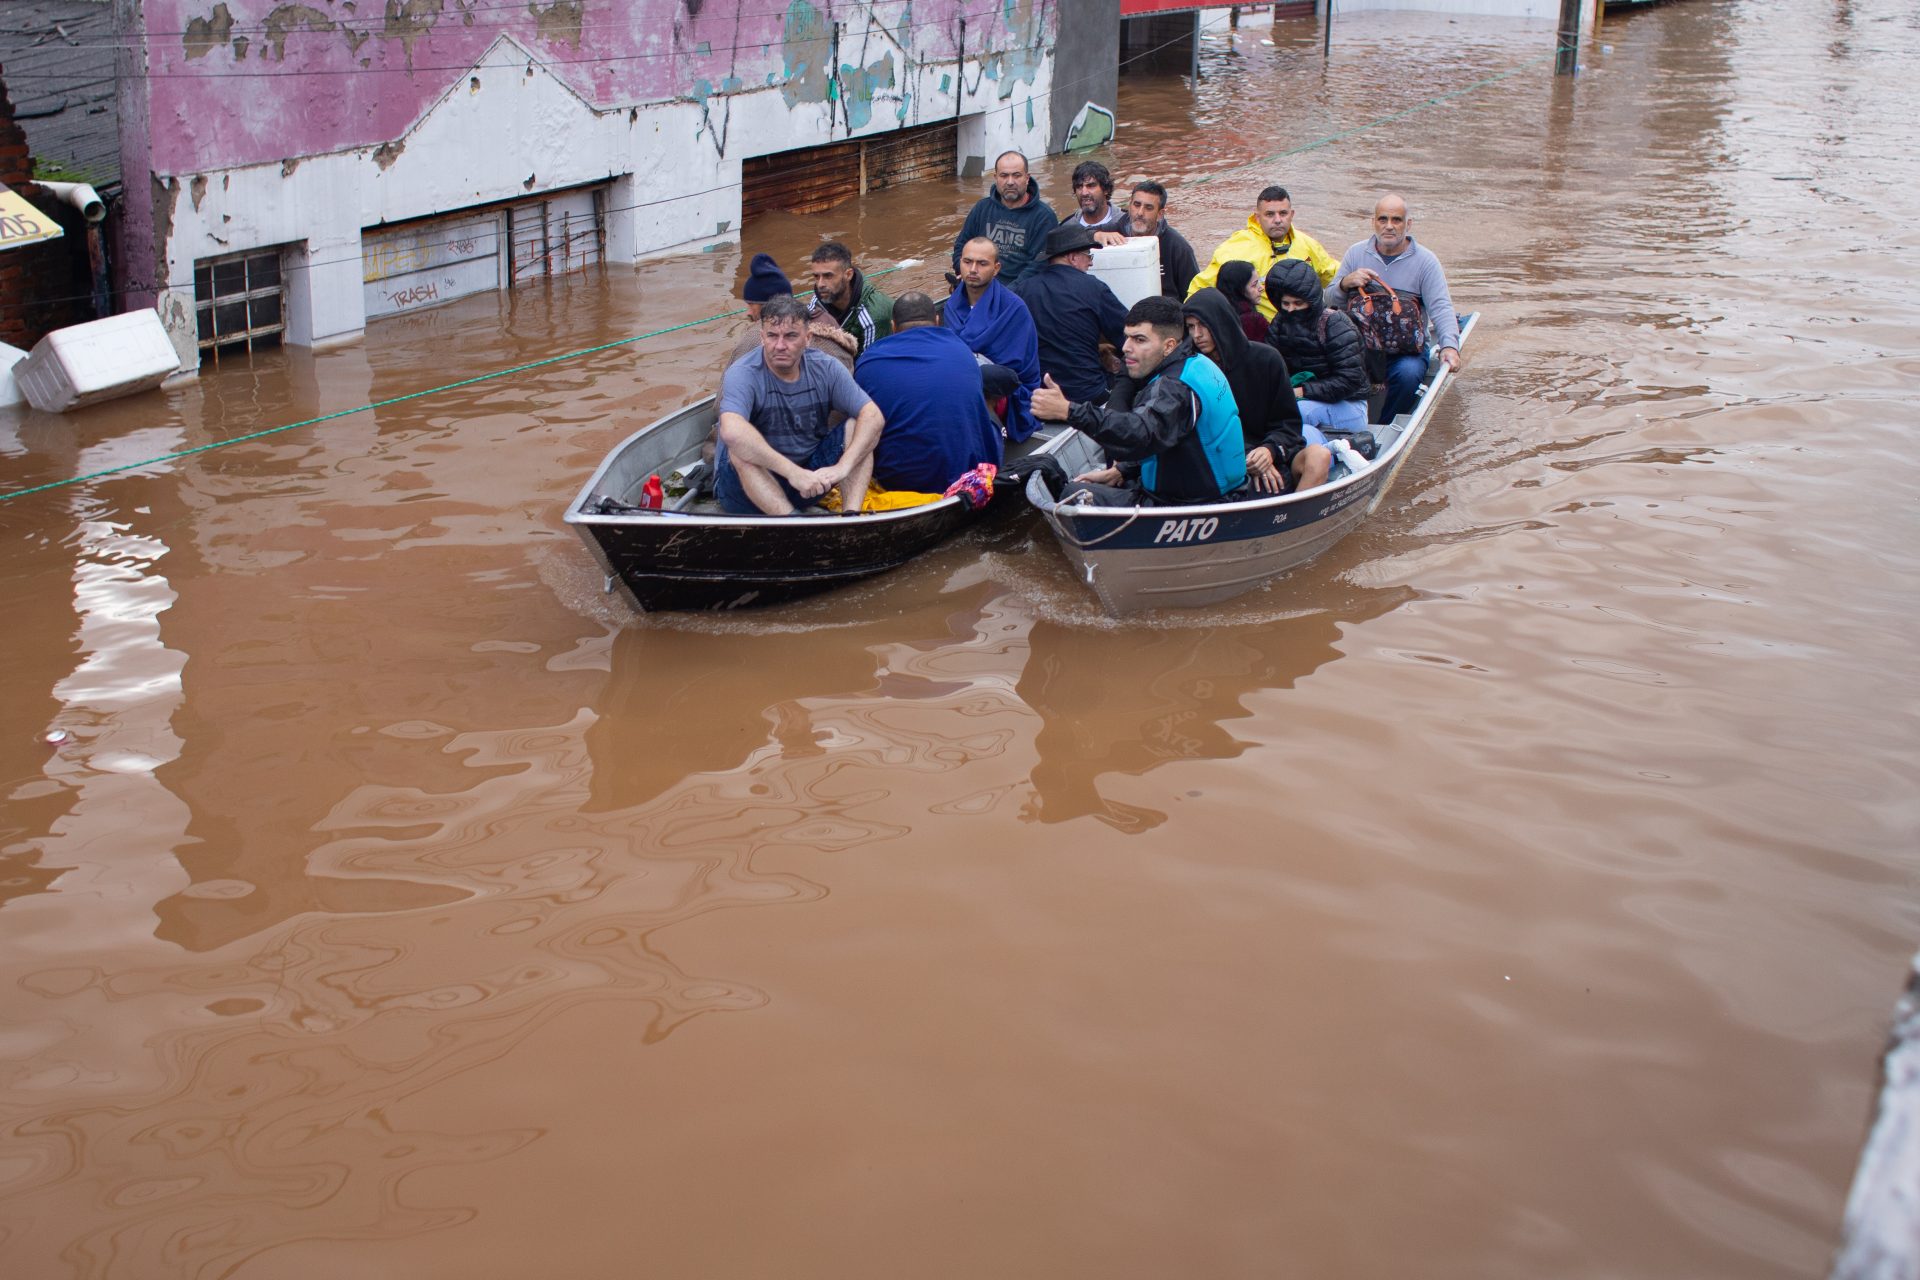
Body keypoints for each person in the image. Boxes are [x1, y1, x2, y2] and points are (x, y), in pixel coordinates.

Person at [1029, 296, 1247, 507]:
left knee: (1070, 493)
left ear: (1169, 346)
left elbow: (1139, 434)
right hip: (1211, 490)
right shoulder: (1196, 363)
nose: (1125, 347)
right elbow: (1166, 433)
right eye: (1127, 337)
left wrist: (1068, 411)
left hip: (1187, 504)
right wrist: (1122, 470)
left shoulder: (1174, 387)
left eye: (1139, 339)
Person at [714, 296, 886, 516]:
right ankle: (791, 521)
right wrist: (793, 473)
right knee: (739, 447)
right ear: (762, 338)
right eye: (772, 336)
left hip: (807, 482)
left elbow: (873, 416)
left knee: (858, 426)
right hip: (745, 491)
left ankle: (851, 517)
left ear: (807, 338)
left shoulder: (826, 367)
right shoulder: (743, 373)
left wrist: (841, 468)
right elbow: (731, 430)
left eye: (791, 336)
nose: (780, 345)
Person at [1183, 286, 1330, 495]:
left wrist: (1269, 451)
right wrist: (1251, 456)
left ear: (1221, 322)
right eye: (1190, 327)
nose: (1197, 335)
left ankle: (1294, 518)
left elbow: (1289, 425)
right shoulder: (1190, 369)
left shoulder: (1267, 359)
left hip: (1273, 451)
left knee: (1320, 456)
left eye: (1203, 325)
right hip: (1223, 460)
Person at [855, 291, 1003, 494]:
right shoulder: (961, 350)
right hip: (963, 476)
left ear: (893, 326)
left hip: (896, 483)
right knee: (988, 408)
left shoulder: (868, 361)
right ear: (936, 320)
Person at [1332, 192, 1461, 422]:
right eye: (1383, 219)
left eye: (1396, 220)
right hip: (1362, 348)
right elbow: (1329, 302)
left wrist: (1450, 346)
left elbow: (1440, 306)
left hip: (1407, 349)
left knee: (1409, 374)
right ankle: (1350, 422)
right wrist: (1345, 283)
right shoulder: (1355, 253)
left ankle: (1385, 425)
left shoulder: (1426, 261)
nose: (1389, 226)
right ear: (1373, 222)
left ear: (1408, 224)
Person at [1010, 224, 1128, 407]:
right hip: (1087, 395)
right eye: (1088, 256)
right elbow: (1128, 337)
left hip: (1038, 396)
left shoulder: (1023, 290)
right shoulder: (1095, 289)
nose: (1091, 262)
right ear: (1073, 258)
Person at [943, 236, 1043, 442]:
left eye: (982, 264)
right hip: (963, 380)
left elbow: (1014, 371)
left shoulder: (1014, 309)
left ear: (996, 268)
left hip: (1007, 391)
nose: (972, 269)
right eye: (967, 262)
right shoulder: (952, 305)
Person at [1186, 185, 1340, 318]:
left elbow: (1332, 274)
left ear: (1291, 215)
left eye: (1283, 213)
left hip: (1304, 326)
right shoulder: (1236, 248)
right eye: (1270, 214)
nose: (1278, 220)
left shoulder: (1306, 243)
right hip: (1262, 333)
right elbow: (1200, 290)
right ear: (1257, 217)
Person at [1263, 258, 1370, 434]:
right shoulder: (1279, 323)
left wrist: (1301, 391)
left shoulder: (1335, 324)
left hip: (1349, 405)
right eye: (1286, 304)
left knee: (1298, 413)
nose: (1290, 309)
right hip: (1299, 398)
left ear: (1310, 301)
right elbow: (1269, 365)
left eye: (1298, 303)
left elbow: (1350, 379)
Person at [722, 252, 857, 373]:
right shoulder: (827, 319)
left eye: (751, 305)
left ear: (768, 307)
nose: (748, 312)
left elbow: (725, 392)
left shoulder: (753, 338)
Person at [950, 150, 1058, 285]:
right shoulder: (982, 208)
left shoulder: (1044, 217)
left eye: (1017, 175)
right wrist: (963, 272)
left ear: (1027, 178)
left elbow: (1038, 266)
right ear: (996, 178)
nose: (1010, 182)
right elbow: (961, 246)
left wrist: (1006, 295)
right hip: (977, 285)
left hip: (1018, 293)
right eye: (1004, 175)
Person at [804, 240, 893, 357]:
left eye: (828, 276)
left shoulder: (873, 315)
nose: (820, 284)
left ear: (848, 275)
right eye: (816, 276)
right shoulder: (818, 301)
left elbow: (867, 367)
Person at [1125, 180, 1199, 299]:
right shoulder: (1112, 233)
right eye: (1136, 205)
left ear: (1160, 214)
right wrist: (1096, 235)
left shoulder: (1178, 247)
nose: (1140, 213)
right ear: (1129, 205)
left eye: (1148, 208)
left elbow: (1194, 296)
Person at [1063, 159, 1129, 245]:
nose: (1084, 193)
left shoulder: (1126, 222)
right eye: (1079, 186)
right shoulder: (1067, 227)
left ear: (1106, 189)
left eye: (1090, 186)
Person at [1215, 260, 1269, 344]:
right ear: (1239, 290)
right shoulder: (1253, 321)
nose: (1261, 288)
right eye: (1254, 285)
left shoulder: (1215, 313)